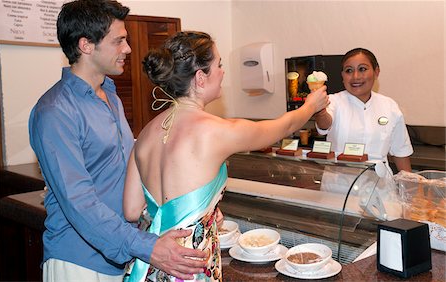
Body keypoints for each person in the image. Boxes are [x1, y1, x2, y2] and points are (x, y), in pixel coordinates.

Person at [122, 31, 329, 281]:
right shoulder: (214, 130)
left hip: (151, 261)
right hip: (188, 266)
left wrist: (196, 213)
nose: (222, 72)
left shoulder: (145, 133)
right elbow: (281, 128)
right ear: (200, 78)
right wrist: (310, 106)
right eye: (218, 65)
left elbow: (133, 211)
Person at [28, 1, 208, 281]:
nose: (128, 49)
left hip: (123, 255)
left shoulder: (110, 96)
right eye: (119, 41)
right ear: (86, 45)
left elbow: (126, 174)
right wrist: (147, 247)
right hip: (79, 263)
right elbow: (80, 203)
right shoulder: (54, 111)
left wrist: (193, 210)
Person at [314, 48, 413, 172]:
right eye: (349, 70)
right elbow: (324, 125)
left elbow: (401, 151)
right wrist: (320, 110)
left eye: (362, 69)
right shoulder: (333, 101)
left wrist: (412, 187)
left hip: (379, 187)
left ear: (376, 72)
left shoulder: (389, 106)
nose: (356, 76)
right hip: (339, 186)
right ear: (342, 76)